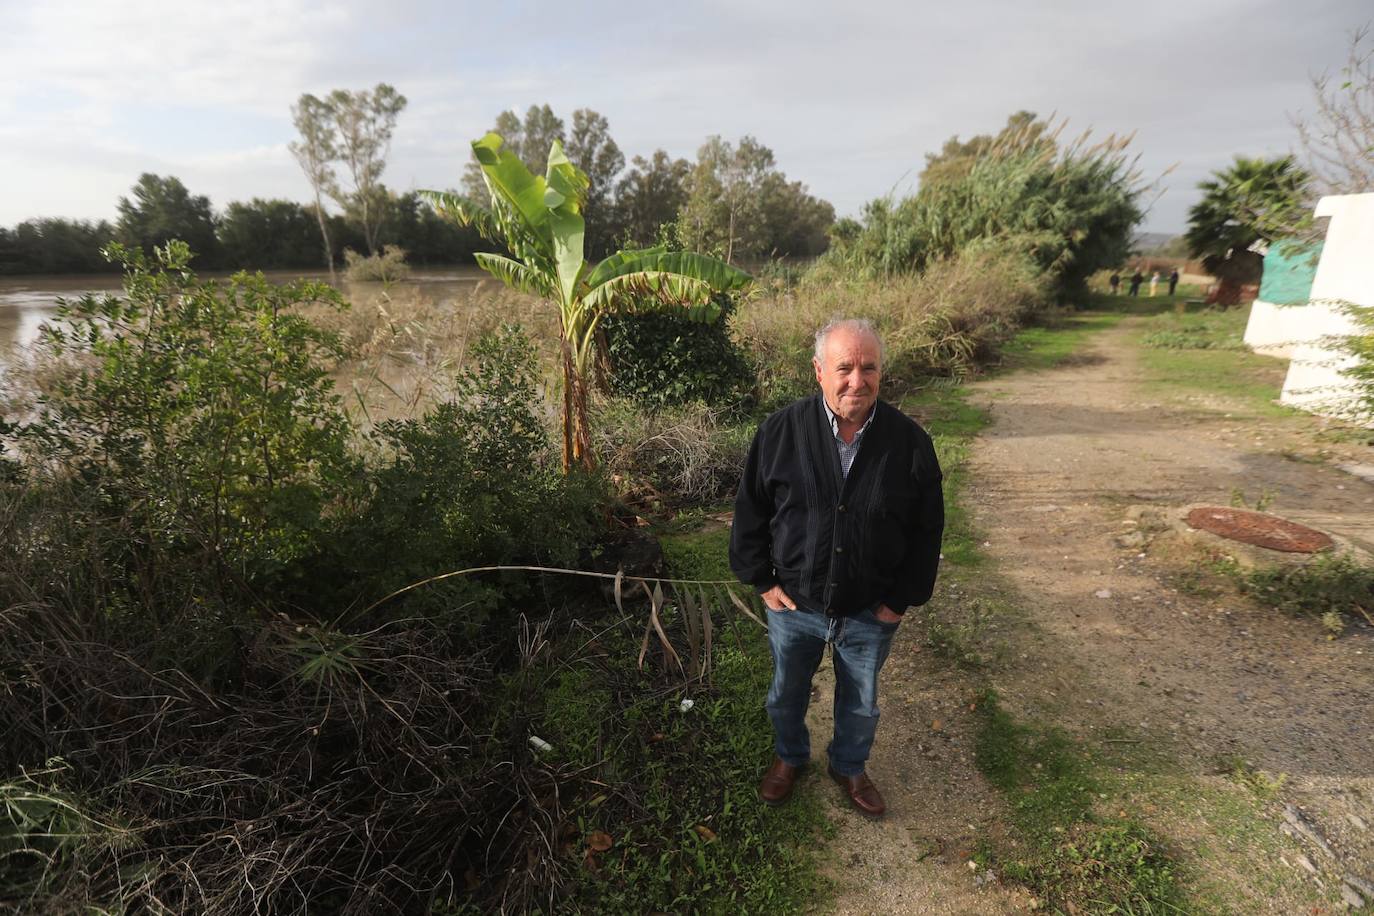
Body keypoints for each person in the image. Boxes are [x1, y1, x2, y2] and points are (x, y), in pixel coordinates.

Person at [730, 319, 945, 818]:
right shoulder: (779, 432)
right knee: (785, 694)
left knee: (861, 703)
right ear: (819, 370)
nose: (857, 381)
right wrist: (762, 580)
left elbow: (927, 529)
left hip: (871, 608)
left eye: (869, 368)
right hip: (794, 605)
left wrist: (899, 601)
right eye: (844, 367)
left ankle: (848, 766)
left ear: (881, 372)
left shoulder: (910, 441)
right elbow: (751, 511)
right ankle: (790, 757)